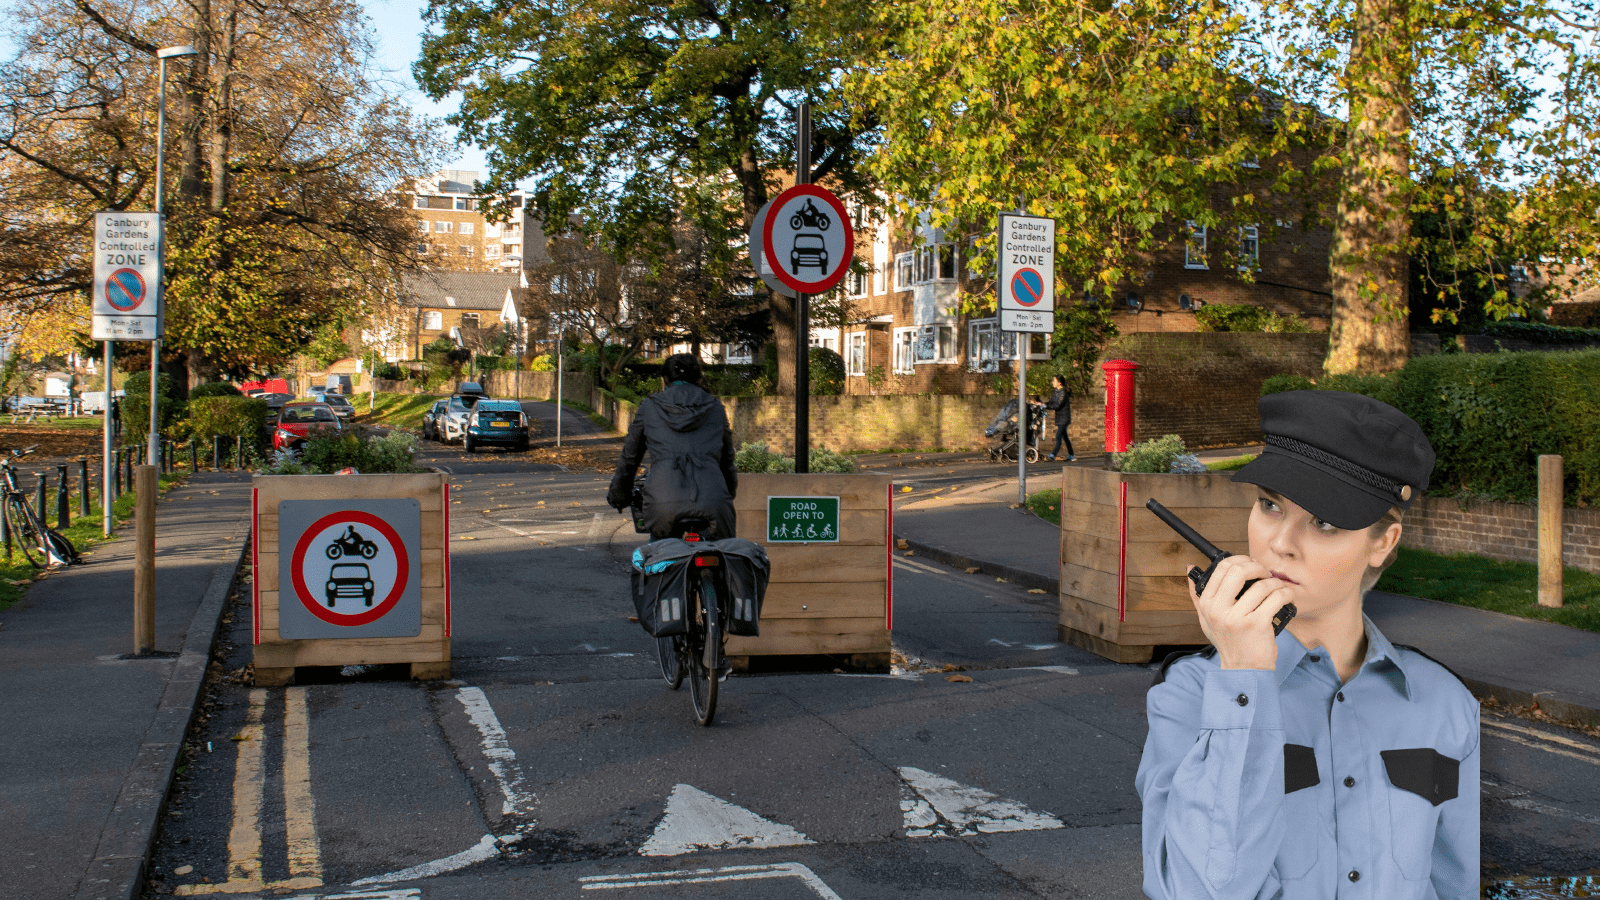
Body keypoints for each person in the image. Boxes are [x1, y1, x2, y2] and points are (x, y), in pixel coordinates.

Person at [1135, 390, 1477, 899]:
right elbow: (1197, 891)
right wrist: (1244, 674)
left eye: (1324, 522)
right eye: (1270, 505)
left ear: (1383, 543)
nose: (1280, 543)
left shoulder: (1445, 704)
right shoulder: (1191, 696)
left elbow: (1457, 885)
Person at [607, 353, 738, 540]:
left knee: (660, 553)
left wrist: (619, 495)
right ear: (698, 378)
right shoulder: (716, 407)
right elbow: (727, 460)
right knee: (721, 551)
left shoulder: (649, 407)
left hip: (662, 500)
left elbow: (630, 457)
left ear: (665, 379)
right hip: (713, 500)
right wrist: (727, 493)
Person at [1043, 374, 1074, 461]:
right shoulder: (1056, 391)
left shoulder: (1063, 392)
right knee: (1065, 437)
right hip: (1060, 418)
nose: (1052, 382)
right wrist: (1043, 404)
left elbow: (1058, 405)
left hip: (1064, 418)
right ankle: (1072, 454)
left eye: (1054, 380)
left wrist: (1046, 406)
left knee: (1058, 436)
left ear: (1059, 382)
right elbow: (1051, 402)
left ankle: (1053, 455)